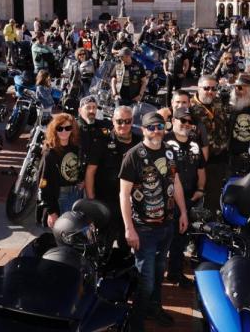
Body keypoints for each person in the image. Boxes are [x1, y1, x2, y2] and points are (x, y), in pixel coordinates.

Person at [119, 111, 188, 330]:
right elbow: (124, 194)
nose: (156, 130)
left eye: (159, 126)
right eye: (151, 127)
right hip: (144, 229)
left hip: (166, 225)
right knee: (145, 281)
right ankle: (135, 323)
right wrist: (129, 228)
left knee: (158, 275)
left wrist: (183, 212)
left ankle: (154, 309)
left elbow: (175, 182)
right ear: (142, 130)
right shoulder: (133, 156)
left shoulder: (169, 152)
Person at [85, 105, 140, 249]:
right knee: (103, 244)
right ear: (113, 121)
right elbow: (90, 172)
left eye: (127, 121)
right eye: (120, 121)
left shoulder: (139, 142)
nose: (123, 125)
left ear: (132, 121)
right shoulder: (102, 141)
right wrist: (92, 202)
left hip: (131, 203)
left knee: (126, 243)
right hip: (106, 202)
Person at [165, 107, 205, 288]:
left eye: (190, 122)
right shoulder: (163, 140)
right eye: (183, 120)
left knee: (181, 237)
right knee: (165, 238)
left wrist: (201, 189)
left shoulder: (195, 142)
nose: (187, 125)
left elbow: (201, 168)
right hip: (166, 199)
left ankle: (175, 273)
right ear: (173, 120)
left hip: (189, 197)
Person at [191, 75, 231, 213]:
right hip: (199, 162)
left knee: (214, 196)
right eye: (206, 88)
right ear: (198, 88)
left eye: (214, 89)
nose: (210, 92)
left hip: (219, 159)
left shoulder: (219, 103)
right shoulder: (189, 107)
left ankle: (212, 222)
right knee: (197, 195)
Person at [41, 112, 83, 228]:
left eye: (68, 128)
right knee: (67, 231)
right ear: (54, 130)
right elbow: (43, 184)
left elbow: (79, 167)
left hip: (77, 192)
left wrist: (82, 179)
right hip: (61, 196)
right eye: (60, 128)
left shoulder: (76, 147)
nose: (64, 131)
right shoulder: (50, 153)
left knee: (78, 230)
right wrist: (51, 211)